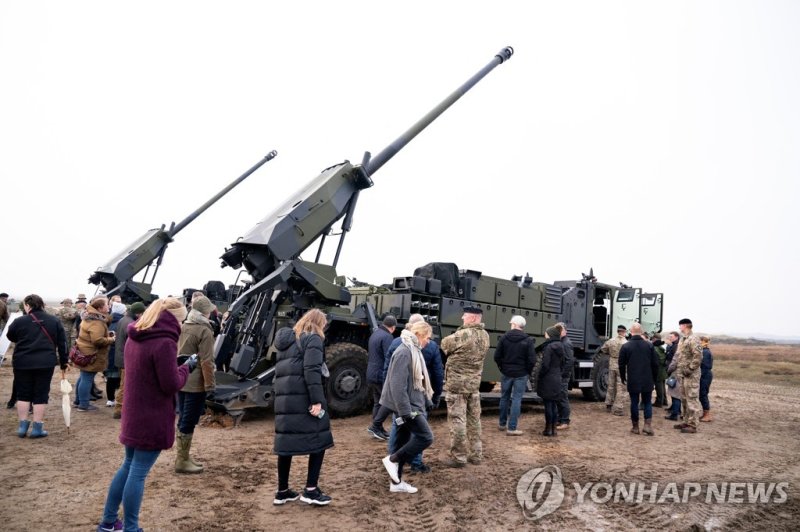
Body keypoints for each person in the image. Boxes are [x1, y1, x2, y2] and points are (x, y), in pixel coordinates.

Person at [97, 297, 196, 532]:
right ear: (174, 318)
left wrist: (175, 365)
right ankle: (131, 527)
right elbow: (170, 384)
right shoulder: (165, 342)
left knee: (128, 466)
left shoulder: (137, 335)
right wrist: (186, 367)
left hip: (134, 412)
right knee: (138, 473)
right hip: (152, 415)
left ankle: (109, 522)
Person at [272, 309, 334, 506]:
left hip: (285, 400)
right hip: (304, 398)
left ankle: (282, 492)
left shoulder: (286, 341)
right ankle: (311, 490)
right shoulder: (313, 339)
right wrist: (317, 400)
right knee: (320, 440)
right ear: (319, 323)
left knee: (285, 444)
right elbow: (312, 371)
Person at [380, 320, 435, 494]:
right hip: (408, 408)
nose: (428, 341)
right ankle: (392, 460)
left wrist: (426, 401)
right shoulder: (405, 352)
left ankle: (396, 483)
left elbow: (417, 382)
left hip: (412, 405)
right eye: (427, 338)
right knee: (426, 437)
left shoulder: (413, 351)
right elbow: (397, 385)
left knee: (402, 442)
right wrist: (405, 412)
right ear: (418, 335)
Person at [6, 294, 68, 438]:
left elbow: (10, 336)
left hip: (22, 361)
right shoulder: (54, 320)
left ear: (27, 305)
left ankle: (22, 427)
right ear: (42, 305)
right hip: (45, 362)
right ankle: (37, 427)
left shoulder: (20, 321)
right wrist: (64, 362)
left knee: (23, 393)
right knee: (41, 393)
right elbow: (62, 343)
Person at [440, 306, 490, 467]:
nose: (462, 318)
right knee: (474, 421)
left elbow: (445, 344)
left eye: (465, 315)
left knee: (457, 420)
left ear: (474, 318)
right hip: (474, 386)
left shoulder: (462, 335)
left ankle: (459, 458)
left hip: (457, 386)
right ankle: (476, 455)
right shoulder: (485, 335)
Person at [175, 296, 217, 474]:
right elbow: (207, 361)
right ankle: (182, 460)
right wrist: (210, 386)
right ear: (205, 312)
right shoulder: (204, 331)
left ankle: (183, 457)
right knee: (189, 421)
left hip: (181, 378)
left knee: (184, 417)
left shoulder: (184, 326)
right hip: (196, 382)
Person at [494, 315, 535, 435]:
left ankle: (502, 424)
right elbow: (532, 360)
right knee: (517, 399)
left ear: (514, 325)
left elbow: (497, 356)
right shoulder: (527, 340)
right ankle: (512, 428)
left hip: (507, 372)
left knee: (504, 397)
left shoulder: (504, 338)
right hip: (521, 374)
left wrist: (503, 368)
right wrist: (526, 371)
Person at [74, 297, 116, 411]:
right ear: (100, 308)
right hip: (91, 354)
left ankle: (78, 401)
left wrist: (107, 334)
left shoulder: (89, 317)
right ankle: (83, 404)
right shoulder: (96, 322)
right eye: (107, 304)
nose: (109, 306)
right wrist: (111, 340)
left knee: (83, 377)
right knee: (87, 378)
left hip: (84, 351)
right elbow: (97, 340)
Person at [618, 323, 659, 436]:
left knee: (634, 403)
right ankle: (647, 425)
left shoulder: (626, 346)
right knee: (647, 402)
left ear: (630, 332)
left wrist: (623, 377)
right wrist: (654, 379)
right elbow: (655, 364)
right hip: (647, 378)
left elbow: (621, 364)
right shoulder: (649, 345)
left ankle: (635, 427)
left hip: (633, 378)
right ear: (641, 332)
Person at [366, 314, 397, 441]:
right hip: (380, 374)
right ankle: (376, 426)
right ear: (393, 327)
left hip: (371, 373)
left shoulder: (375, 333)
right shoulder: (387, 337)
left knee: (378, 401)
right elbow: (388, 357)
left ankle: (377, 428)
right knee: (388, 401)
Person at [113, 302, 146, 420]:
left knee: (124, 384)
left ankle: (122, 408)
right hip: (125, 359)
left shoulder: (123, 320)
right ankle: (118, 409)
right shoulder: (130, 323)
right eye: (142, 313)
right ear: (138, 313)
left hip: (120, 357)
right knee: (124, 385)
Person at [675, 318, 703, 434]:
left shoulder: (694, 338)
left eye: (680, 325)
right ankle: (686, 421)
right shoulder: (683, 339)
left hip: (691, 374)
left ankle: (693, 424)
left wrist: (690, 368)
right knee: (684, 399)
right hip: (683, 374)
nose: (679, 328)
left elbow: (698, 356)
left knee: (692, 398)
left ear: (685, 325)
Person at [537, 325, 565, 437]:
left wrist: (541, 375)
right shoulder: (561, 346)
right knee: (553, 404)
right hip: (557, 377)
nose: (545, 334)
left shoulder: (548, 347)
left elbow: (545, 365)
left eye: (546, 333)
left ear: (551, 334)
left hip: (548, 379)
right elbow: (563, 363)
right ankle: (554, 429)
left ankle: (548, 429)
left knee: (548, 405)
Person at [600, 324, 628, 415]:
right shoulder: (626, 342)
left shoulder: (610, 341)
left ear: (617, 331)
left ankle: (609, 404)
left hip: (612, 363)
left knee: (611, 385)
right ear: (624, 332)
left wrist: (611, 353)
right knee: (621, 386)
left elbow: (603, 349)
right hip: (622, 365)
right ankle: (618, 407)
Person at [104, 302, 126, 408]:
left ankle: (110, 399)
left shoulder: (109, 321)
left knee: (110, 378)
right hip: (118, 353)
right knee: (119, 378)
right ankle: (117, 399)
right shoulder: (122, 322)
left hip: (110, 353)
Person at [555, 322, 574, 430]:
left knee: (563, 398)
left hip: (563, 376)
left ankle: (565, 421)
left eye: (560, 330)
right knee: (559, 397)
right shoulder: (561, 342)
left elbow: (569, 361)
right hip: (560, 374)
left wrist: (562, 374)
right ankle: (559, 419)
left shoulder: (566, 343)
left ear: (564, 331)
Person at [665, 343, 683, 421]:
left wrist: (668, 371)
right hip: (684, 376)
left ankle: (674, 414)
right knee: (679, 395)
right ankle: (678, 411)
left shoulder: (679, 353)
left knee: (675, 395)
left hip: (676, 375)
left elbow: (673, 365)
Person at [699, 336, 714, 422]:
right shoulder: (703, 351)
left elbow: (705, 366)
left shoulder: (705, 352)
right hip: (704, 374)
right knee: (702, 394)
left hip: (705, 375)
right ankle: (705, 413)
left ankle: (707, 415)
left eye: (699, 341)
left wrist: (699, 376)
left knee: (703, 394)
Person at [651, 333, 668, 407]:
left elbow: (656, 361)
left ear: (654, 339)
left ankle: (659, 402)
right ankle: (664, 401)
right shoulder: (661, 348)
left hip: (658, 371)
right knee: (662, 386)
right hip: (663, 370)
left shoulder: (655, 349)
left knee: (659, 387)